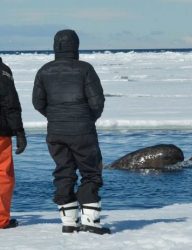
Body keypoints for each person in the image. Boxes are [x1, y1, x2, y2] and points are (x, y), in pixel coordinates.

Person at [32, 29, 110, 235]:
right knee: (91, 172)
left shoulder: (44, 70)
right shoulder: (85, 69)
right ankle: (91, 222)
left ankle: (68, 222)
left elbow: (37, 103)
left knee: (63, 172)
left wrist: (56, 117)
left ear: (55, 46)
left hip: (56, 131)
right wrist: (87, 118)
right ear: (75, 46)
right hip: (83, 129)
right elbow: (97, 102)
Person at [0, 57, 27, 229]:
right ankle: (1, 219)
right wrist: (19, 131)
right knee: (3, 175)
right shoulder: (2, 71)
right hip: (1, 132)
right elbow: (10, 104)